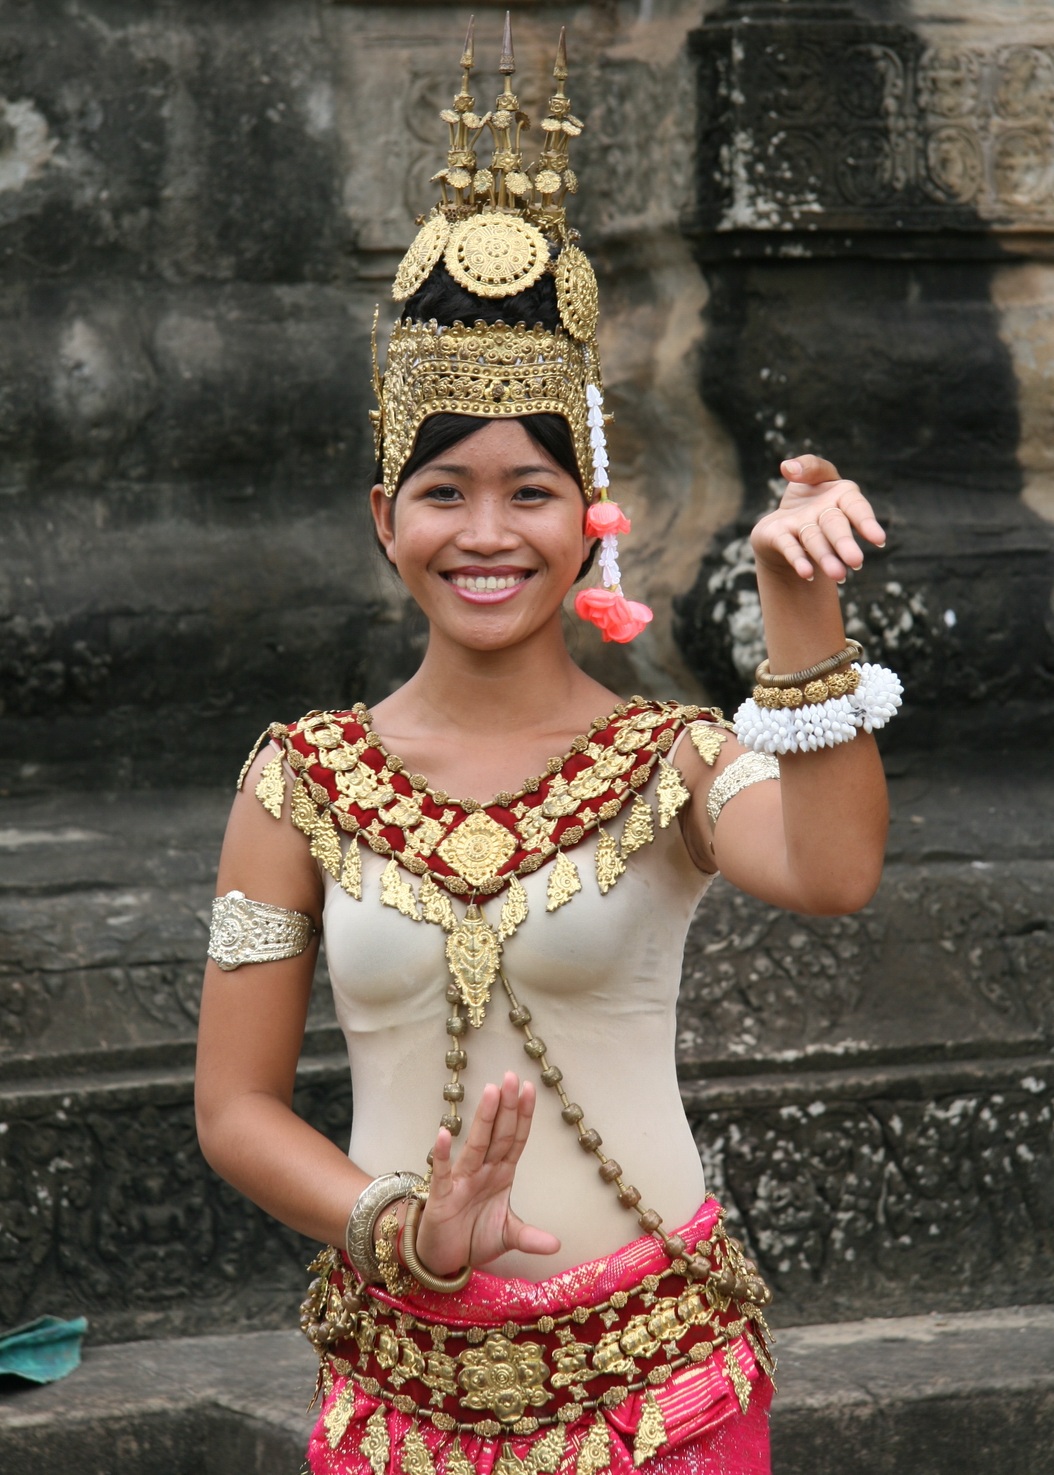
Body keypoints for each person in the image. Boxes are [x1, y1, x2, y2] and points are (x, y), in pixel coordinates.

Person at [194, 19, 900, 1475]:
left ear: (591, 513)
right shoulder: (301, 783)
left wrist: (799, 614)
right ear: (381, 518)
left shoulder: (675, 761)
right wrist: (396, 1227)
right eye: (443, 491)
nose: (486, 534)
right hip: (402, 1395)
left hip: (662, 1393)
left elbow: (830, 873)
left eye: (529, 489)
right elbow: (237, 1107)